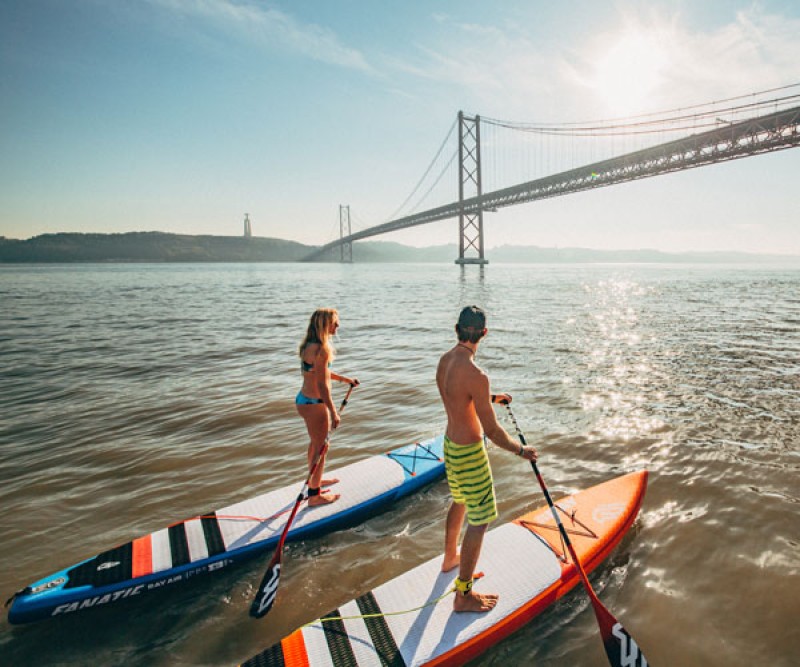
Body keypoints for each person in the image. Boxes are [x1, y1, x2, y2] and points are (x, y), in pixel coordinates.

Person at [436, 305, 537, 612]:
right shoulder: (478, 375)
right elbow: (492, 430)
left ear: (456, 329)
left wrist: (492, 397)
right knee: (480, 521)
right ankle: (463, 594)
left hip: (451, 446)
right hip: (470, 454)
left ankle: (450, 558)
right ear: (484, 333)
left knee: (460, 500)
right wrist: (522, 451)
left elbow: (459, 394)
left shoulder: (445, 361)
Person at [296, 308, 359, 507]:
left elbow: (319, 373)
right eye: (335, 322)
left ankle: (315, 479)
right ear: (324, 324)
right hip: (315, 404)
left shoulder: (309, 346)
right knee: (322, 446)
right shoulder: (322, 349)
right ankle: (314, 496)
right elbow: (322, 385)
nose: (338, 326)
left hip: (303, 400)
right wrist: (333, 412)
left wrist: (344, 379)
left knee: (316, 444)